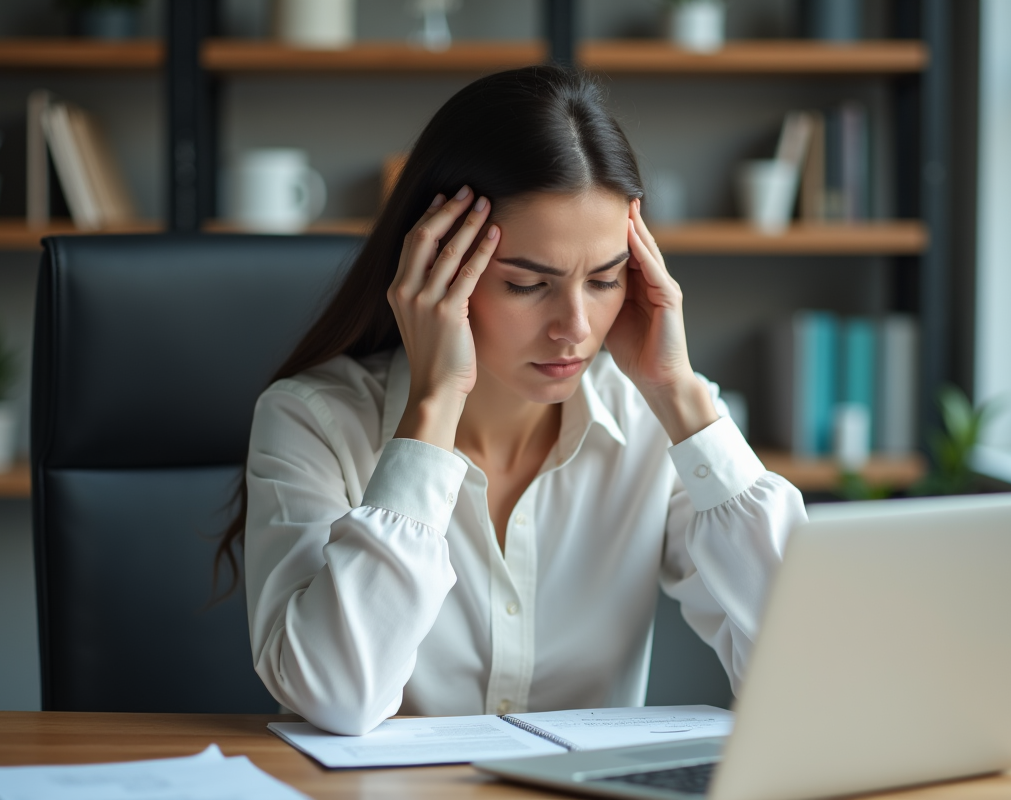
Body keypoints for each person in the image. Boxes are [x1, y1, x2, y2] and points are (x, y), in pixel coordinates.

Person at [215, 66, 806, 736]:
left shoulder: (651, 425)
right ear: (434, 268)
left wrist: (680, 395)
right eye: (528, 284)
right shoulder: (310, 421)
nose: (575, 328)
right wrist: (433, 408)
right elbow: (335, 697)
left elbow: (806, 673)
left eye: (607, 279)